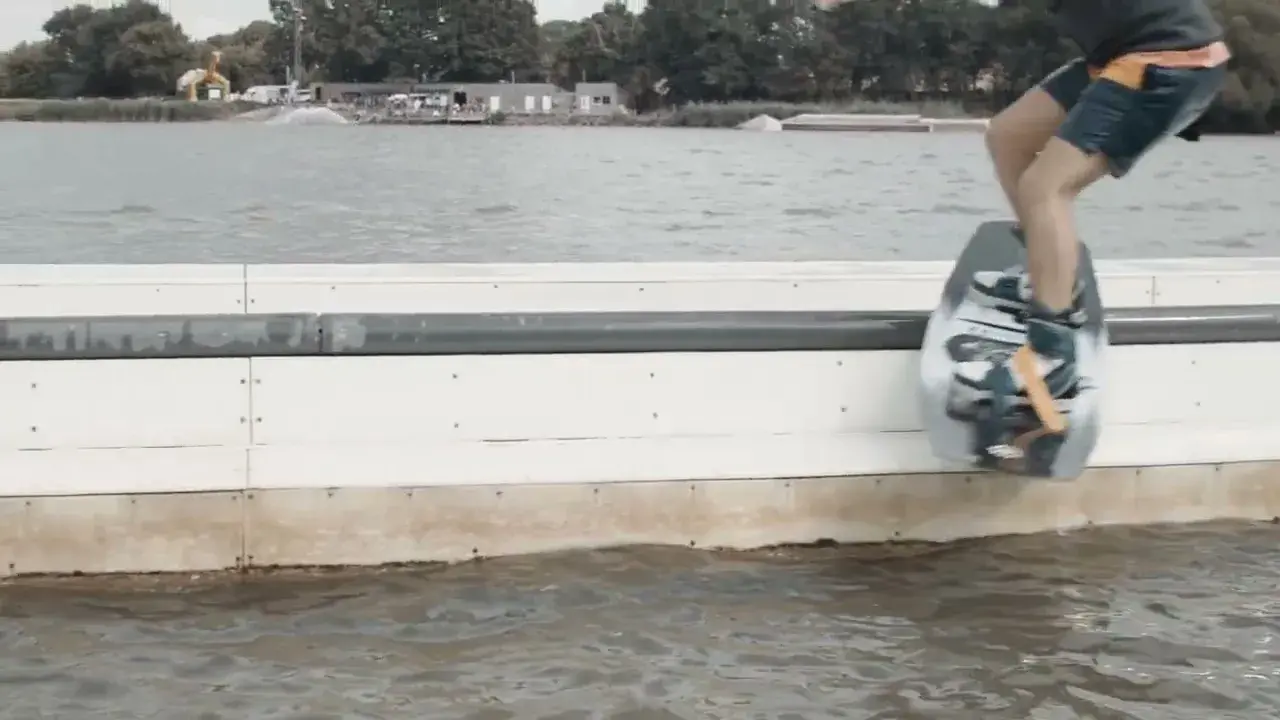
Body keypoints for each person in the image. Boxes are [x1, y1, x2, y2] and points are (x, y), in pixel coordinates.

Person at [958, 0, 1230, 429]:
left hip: (1169, 60)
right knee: (1008, 137)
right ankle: (1051, 278)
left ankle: (1051, 356)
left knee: (1046, 187)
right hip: (1123, 55)